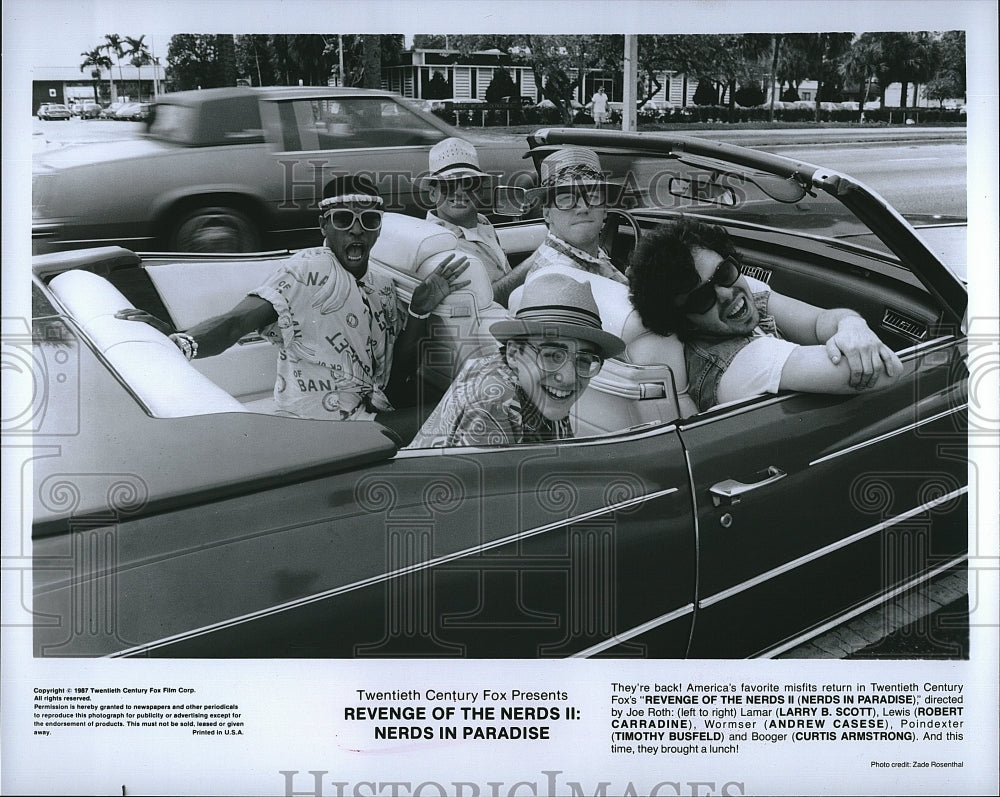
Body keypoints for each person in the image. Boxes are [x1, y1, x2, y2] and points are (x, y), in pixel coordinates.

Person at [116, 175, 470, 440]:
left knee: (458, 403)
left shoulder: (382, 287)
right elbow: (236, 323)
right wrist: (179, 343)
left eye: (369, 221)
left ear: (379, 230)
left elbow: (396, 372)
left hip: (366, 413)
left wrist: (420, 310)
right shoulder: (308, 269)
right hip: (320, 429)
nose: (357, 231)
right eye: (344, 219)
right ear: (324, 226)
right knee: (464, 414)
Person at [627, 218, 904, 411]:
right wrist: (852, 331)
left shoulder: (745, 305)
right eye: (701, 298)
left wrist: (851, 324)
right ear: (684, 321)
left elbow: (820, 321)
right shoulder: (738, 361)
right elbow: (887, 372)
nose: (726, 294)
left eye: (724, 273)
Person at [408, 270, 625, 448]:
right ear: (513, 354)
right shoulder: (492, 405)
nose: (568, 377)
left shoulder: (534, 387)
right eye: (551, 355)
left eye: (584, 360)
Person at [491, 146, 625, 303]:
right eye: (566, 199)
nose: (583, 207)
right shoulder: (555, 279)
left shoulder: (593, 258)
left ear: (605, 210)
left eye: (593, 196)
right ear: (547, 213)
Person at [420, 137, 513, 294]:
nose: (459, 191)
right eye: (448, 185)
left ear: (480, 191)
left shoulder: (482, 223)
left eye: (469, 183)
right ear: (432, 193)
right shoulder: (438, 241)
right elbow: (482, 302)